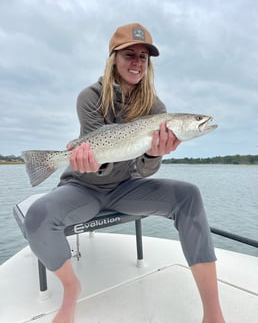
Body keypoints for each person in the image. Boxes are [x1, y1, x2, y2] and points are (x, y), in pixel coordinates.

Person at [24, 23, 225, 323]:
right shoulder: (89, 97)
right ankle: (71, 288)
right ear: (113, 58)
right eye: (129, 54)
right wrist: (87, 162)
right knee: (37, 217)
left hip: (127, 188)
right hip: (84, 186)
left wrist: (153, 155)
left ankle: (213, 313)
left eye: (143, 57)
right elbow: (96, 155)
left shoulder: (156, 108)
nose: (137, 62)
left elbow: (142, 170)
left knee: (189, 196)